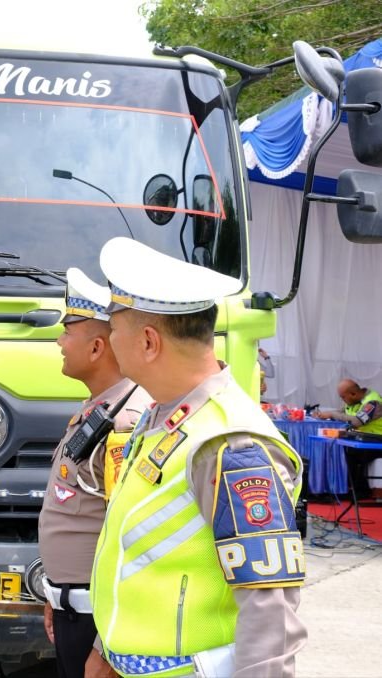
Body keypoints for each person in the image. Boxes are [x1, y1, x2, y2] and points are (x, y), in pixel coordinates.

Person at [89, 238, 307, 678]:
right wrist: (106, 649)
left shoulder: (231, 444)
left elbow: (270, 607)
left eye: (113, 328)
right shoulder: (164, 416)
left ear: (149, 342)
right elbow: (138, 551)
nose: (108, 340)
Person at [38, 268, 151, 678]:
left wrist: (107, 646)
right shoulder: (101, 409)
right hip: (76, 607)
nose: (59, 341)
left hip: (99, 618)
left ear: (97, 347)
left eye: (68, 332)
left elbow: (133, 540)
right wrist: (56, 592)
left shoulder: (125, 421)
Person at [313, 378, 382, 433]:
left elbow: (358, 421)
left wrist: (332, 414)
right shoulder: (354, 401)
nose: (342, 400)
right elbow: (342, 412)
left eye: (343, 397)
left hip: (376, 442)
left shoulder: (373, 402)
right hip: (361, 440)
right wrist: (323, 414)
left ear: (353, 394)